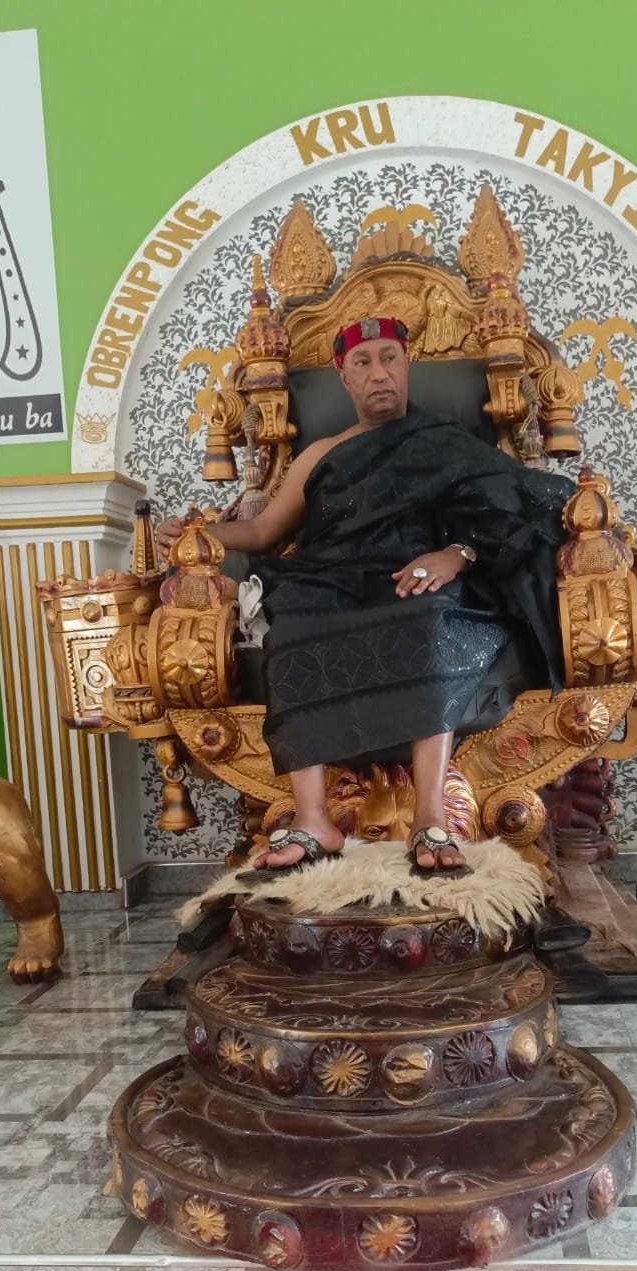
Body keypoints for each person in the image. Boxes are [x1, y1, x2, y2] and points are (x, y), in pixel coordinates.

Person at [156, 317, 573, 879]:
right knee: (293, 624)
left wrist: (457, 555)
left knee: (430, 617)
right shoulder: (321, 453)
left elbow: (524, 508)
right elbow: (261, 531)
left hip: (416, 577)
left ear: (405, 366)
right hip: (329, 580)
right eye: (363, 362)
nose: (379, 373)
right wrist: (198, 533)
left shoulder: (449, 444)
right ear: (344, 377)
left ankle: (431, 818)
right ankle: (313, 822)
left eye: (389, 358)